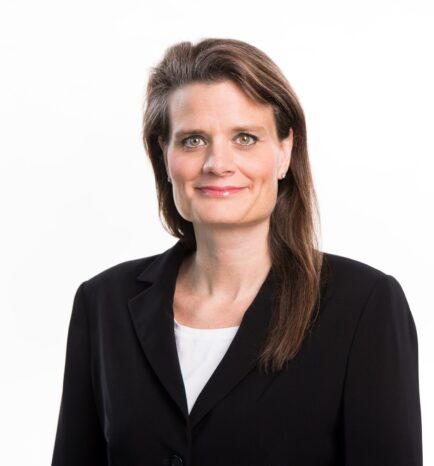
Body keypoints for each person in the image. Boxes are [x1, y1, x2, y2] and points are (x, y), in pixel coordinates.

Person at [51, 38, 423, 466]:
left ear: (284, 151)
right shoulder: (103, 303)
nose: (217, 163)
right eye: (193, 140)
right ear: (164, 154)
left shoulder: (363, 306)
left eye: (245, 138)